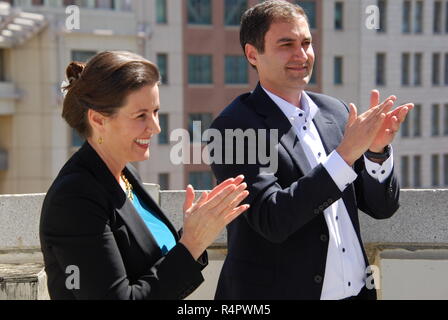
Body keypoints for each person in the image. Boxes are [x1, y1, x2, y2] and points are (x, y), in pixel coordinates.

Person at [209, 0, 413, 300]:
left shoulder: (338, 112)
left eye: (306, 42)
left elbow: (382, 208)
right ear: (253, 54)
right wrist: (344, 156)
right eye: (286, 44)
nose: (301, 54)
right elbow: (272, 219)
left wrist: (376, 152)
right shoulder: (234, 127)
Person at [39, 51, 250, 300]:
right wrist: (191, 244)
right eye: (140, 116)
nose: (156, 127)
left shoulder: (124, 174)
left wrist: (195, 233)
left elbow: (150, 269)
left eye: (155, 112)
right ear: (98, 120)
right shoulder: (75, 198)